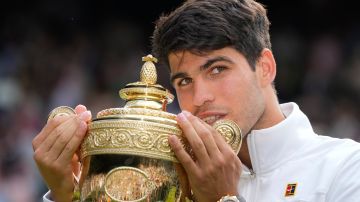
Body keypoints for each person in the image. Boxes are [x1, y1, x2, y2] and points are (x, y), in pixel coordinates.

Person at [33, 0, 360, 201]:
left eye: (217, 69)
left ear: (265, 67)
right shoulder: (164, 172)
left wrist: (224, 200)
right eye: (184, 80)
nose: (199, 97)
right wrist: (68, 193)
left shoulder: (345, 167)